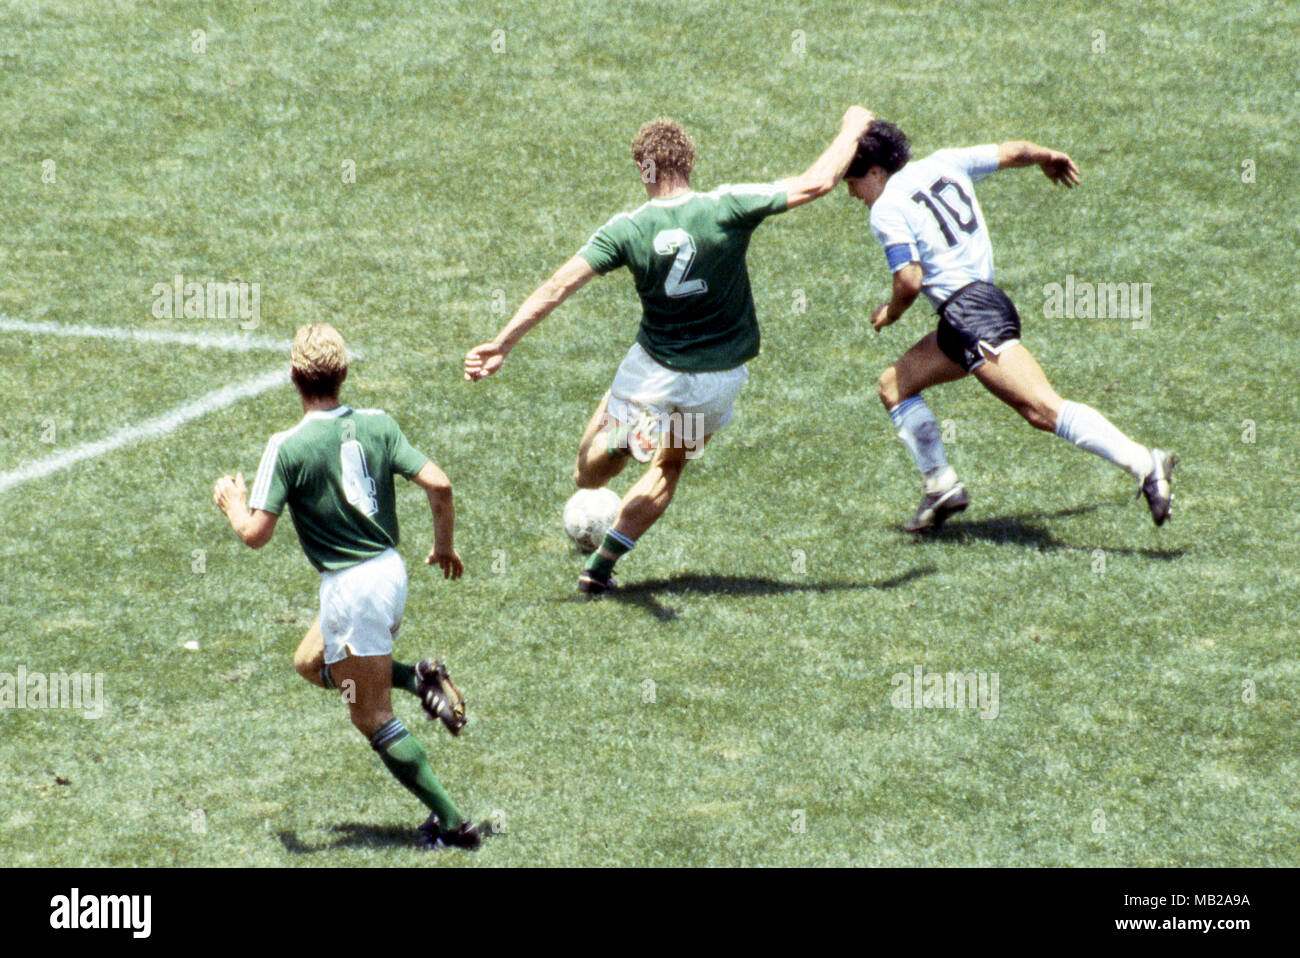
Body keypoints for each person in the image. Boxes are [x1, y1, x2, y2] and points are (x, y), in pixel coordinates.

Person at [465, 107, 876, 593]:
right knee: (669, 465)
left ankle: (624, 440)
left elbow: (559, 286)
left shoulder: (627, 228)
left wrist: (502, 343)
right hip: (717, 381)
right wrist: (852, 127)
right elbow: (817, 182)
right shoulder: (728, 206)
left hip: (653, 370)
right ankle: (599, 569)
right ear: (690, 162)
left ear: (643, 168)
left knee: (587, 473)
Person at [212, 322, 482, 850]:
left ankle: (454, 825)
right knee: (311, 663)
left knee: (370, 715)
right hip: (389, 572)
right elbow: (440, 483)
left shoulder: (286, 446)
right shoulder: (378, 424)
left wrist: (231, 503)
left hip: (350, 588)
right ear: (344, 374)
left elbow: (254, 535)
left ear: (293, 377)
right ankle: (417, 678)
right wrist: (444, 546)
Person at [846, 121, 1175, 531]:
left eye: (854, 182)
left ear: (876, 172)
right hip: (973, 309)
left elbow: (909, 280)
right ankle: (940, 486)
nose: (852, 194)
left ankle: (1146, 463)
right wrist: (1046, 156)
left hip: (972, 315)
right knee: (894, 386)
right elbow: (1014, 151)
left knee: (1041, 408)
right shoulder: (945, 162)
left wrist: (890, 314)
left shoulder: (886, 208)